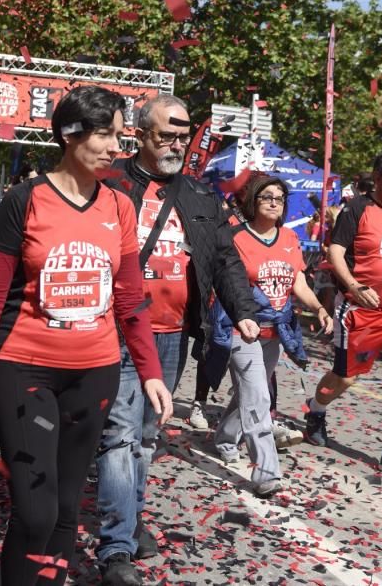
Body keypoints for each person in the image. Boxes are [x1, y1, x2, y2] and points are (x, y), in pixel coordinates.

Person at [0, 86, 173, 586]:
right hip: (23, 370)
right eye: (108, 134)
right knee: (35, 512)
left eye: (121, 135)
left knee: (68, 509)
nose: (118, 147)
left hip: (94, 375)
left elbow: (130, 299)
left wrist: (150, 373)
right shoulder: (23, 200)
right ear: (71, 134)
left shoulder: (119, 208)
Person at [95, 94, 258, 585]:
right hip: (114, 332)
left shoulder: (201, 196)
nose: (177, 144)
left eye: (183, 136)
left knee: (146, 436)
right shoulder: (107, 184)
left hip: (171, 337)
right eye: (166, 134)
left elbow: (226, 258)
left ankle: (130, 517)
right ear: (140, 133)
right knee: (119, 435)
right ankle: (116, 549)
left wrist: (243, 312)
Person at [303, 148, 382, 481]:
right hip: (360, 311)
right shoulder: (357, 209)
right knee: (346, 377)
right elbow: (335, 252)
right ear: (377, 179)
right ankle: (316, 412)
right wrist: (355, 286)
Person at [207, 175, 333, 493]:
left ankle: (224, 438)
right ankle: (266, 472)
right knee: (260, 398)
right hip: (242, 330)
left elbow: (298, 282)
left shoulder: (289, 238)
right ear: (252, 202)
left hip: (275, 333)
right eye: (267, 196)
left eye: (279, 197)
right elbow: (224, 283)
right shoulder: (236, 237)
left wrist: (319, 308)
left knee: (251, 393)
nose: (274, 202)